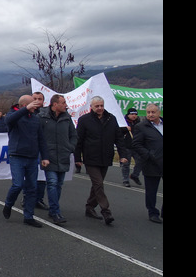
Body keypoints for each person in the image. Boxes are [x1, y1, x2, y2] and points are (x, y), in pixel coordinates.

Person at [74, 96, 129, 226]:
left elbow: (119, 139)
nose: (99, 108)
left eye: (101, 105)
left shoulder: (111, 119)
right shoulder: (84, 120)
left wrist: (123, 155)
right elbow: (78, 141)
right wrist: (78, 158)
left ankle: (89, 207)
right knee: (98, 184)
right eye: (97, 106)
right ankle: (106, 211)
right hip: (91, 158)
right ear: (91, 107)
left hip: (106, 157)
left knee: (97, 185)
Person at [2, 95, 50, 227]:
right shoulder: (13, 115)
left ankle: (28, 216)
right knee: (17, 184)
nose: (36, 106)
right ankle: (8, 204)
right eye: (32, 104)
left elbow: (41, 139)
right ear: (24, 105)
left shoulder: (35, 119)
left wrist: (44, 156)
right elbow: (9, 120)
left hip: (32, 157)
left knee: (31, 188)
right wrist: (25, 110)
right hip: (17, 155)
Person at [38, 94, 77, 225]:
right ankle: (55, 211)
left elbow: (73, 135)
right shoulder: (43, 118)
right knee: (52, 183)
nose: (66, 105)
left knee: (59, 184)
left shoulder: (67, 118)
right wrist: (42, 153)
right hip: (49, 157)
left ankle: (53, 208)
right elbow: (37, 135)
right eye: (63, 102)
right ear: (55, 104)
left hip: (64, 156)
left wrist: (70, 147)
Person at [131, 103, 163, 223]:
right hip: (151, 163)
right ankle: (153, 212)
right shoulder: (141, 127)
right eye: (148, 112)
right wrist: (148, 154)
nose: (150, 115)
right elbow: (136, 144)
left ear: (159, 112)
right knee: (151, 190)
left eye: (153, 112)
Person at [120, 108, 142, 186]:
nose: (134, 116)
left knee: (141, 161)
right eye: (132, 114)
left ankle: (135, 175)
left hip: (136, 147)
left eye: (135, 114)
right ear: (128, 114)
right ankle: (125, 180)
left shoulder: (139, 123)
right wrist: (125, 129)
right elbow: (118, 133)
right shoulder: (123, 122)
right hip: (126, 146)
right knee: (126, 164)